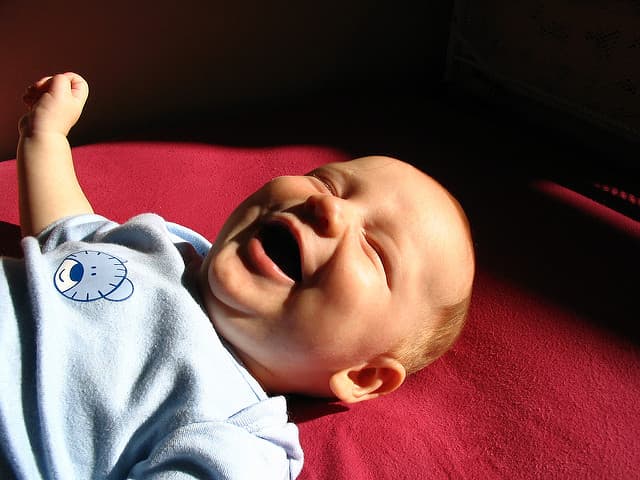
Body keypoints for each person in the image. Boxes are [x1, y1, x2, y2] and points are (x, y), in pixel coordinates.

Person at [0, 72, 475, 478]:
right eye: (327, 183)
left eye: (375, 250)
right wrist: (45, 137)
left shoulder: (236, 433)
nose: (328, 207)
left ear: (364, 374)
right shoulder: (159, 247)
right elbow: (68, 233)